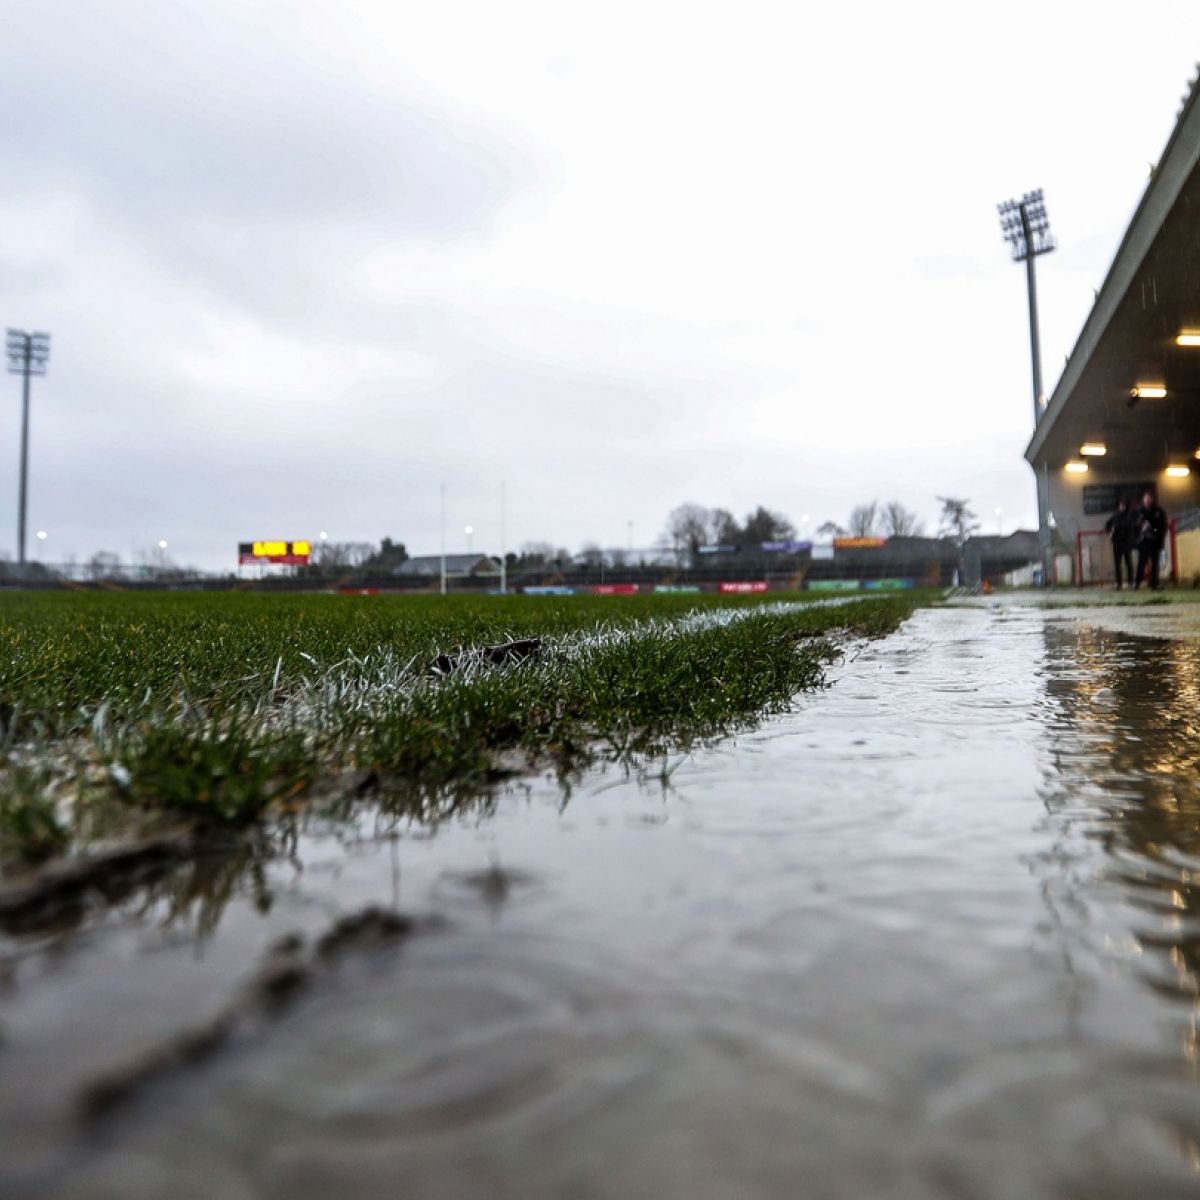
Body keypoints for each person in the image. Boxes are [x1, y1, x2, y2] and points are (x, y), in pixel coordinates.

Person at [1134, 489, 1168, 590]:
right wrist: (1141, 528)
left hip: (1155, 540)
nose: (1147, 501)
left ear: (1152, 500)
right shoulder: (1139, 511)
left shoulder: (1158, 511)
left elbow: (1162, 526)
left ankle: (1154, 584)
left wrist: (1153, 528)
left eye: (1149, 499)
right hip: (1144, 541)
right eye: (1146, 499)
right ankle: (1137, 583)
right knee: (1141, 563)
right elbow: (1134, 525)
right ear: (1143, 500)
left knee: (1154, 563)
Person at [1104, 497, 1136, 589]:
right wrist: (1110, 532)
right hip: (1117, 543)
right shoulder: (1115, 516)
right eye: (1121, 505)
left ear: (1126, 506)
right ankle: (1119, 583)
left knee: (1128, 563)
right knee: (1117, 564)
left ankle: (1131, 582)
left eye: (1123, 505)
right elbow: (1107, 525)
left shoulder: (1129, 516)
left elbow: (1130, 528)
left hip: (1126, 543)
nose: (1122, 506)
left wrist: (1130, 540)